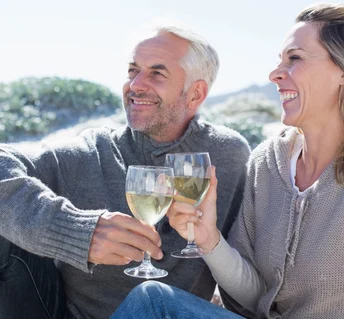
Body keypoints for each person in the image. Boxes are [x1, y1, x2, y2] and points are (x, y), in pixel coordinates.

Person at [113, 3, 344, 318]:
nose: (275, 73)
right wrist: (209, 239)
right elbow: (258, 296)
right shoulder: (268, 162)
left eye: (295, 58)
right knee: (153, 298)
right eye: (279, 60)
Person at [0, 25, 251, 318]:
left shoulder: (228, 155)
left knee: (151, 299)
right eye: (133, 70)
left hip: (165, 312)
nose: (135, 85)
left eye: (157, 73)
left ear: (195, 94)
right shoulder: (90, 150)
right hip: (62, 312)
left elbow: (245, 271)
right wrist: (73, 231)